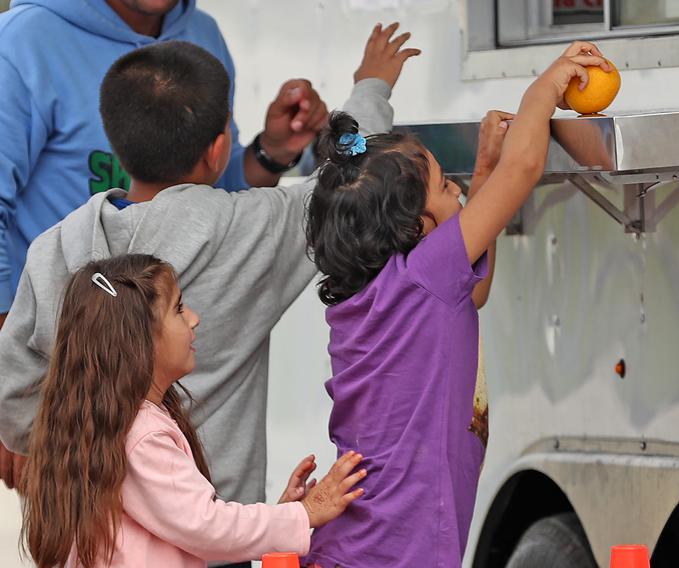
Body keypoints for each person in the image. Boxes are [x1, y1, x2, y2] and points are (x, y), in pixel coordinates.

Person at [0, 26, 416, 520]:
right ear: (218, 149)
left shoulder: (55, 248)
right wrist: (371, 85)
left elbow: (14, 397)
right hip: (216, 528)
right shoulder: (251, 228)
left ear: (116, 146)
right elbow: (351, 175)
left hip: (95, 533)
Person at [302, 42, 613, 566]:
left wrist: (483, 166)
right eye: (448, 186)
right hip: (398, 546)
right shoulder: (425, 275)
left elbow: (474, 293)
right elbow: (525, 170)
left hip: (362, 542)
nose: (461, 194)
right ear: (417, 230)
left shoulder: (369, 294)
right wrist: (545, 89)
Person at [0, 0, 333, 331]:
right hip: (68, 354)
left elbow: (211, 187)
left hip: (181, 343)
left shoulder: (204, 34)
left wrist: (270, 152)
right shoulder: (22, 42)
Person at [21, 254, 368, 568]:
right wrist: (302, 514)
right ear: (138, 339)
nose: (194, 319)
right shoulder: (142, 434)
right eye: (178, 308)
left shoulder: (117, 425)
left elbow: (190, 523)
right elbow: (206, 526)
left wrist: (281, 515)